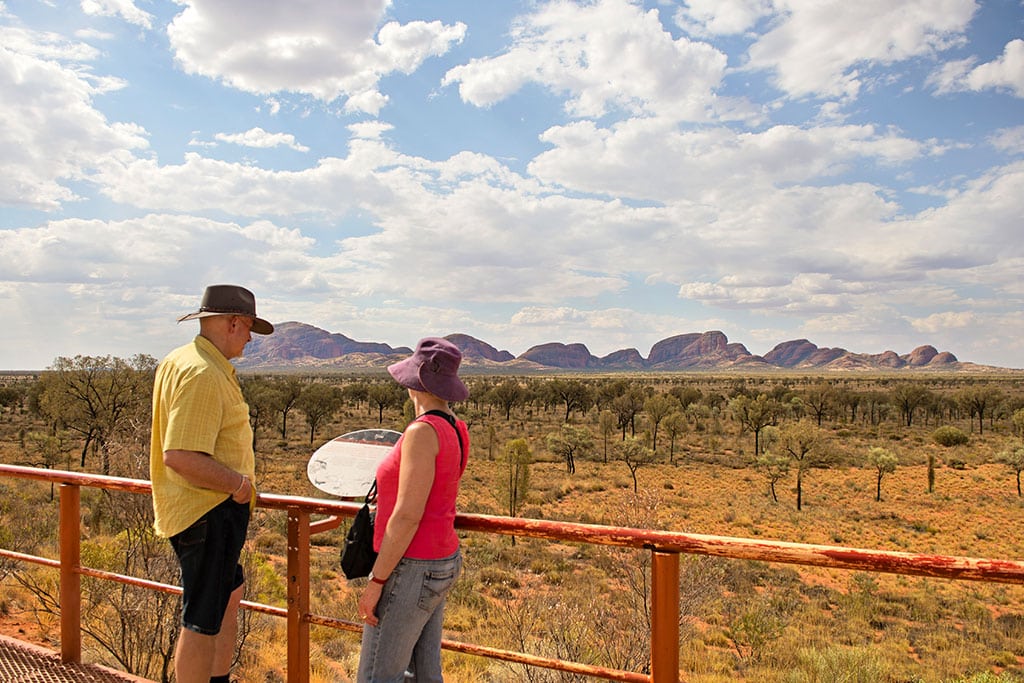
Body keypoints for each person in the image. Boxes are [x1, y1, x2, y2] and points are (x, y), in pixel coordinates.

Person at [150, 284, 274, 683]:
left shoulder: (184, 360)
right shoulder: (203, 373)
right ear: (234, 322)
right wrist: (239, 485)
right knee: (202, 619)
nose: (251, 338)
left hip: (206, 510)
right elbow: (181, 455)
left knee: (227, 596)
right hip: (208, 511)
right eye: (249, 327)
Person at [357, 337, 471, 683]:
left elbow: (407, 515)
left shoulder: (422, 432)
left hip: (412, 567)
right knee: (423, 674)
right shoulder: (456, 427)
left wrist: (377, 581)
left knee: (378, 675)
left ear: (417, 383)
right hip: (441, 561)